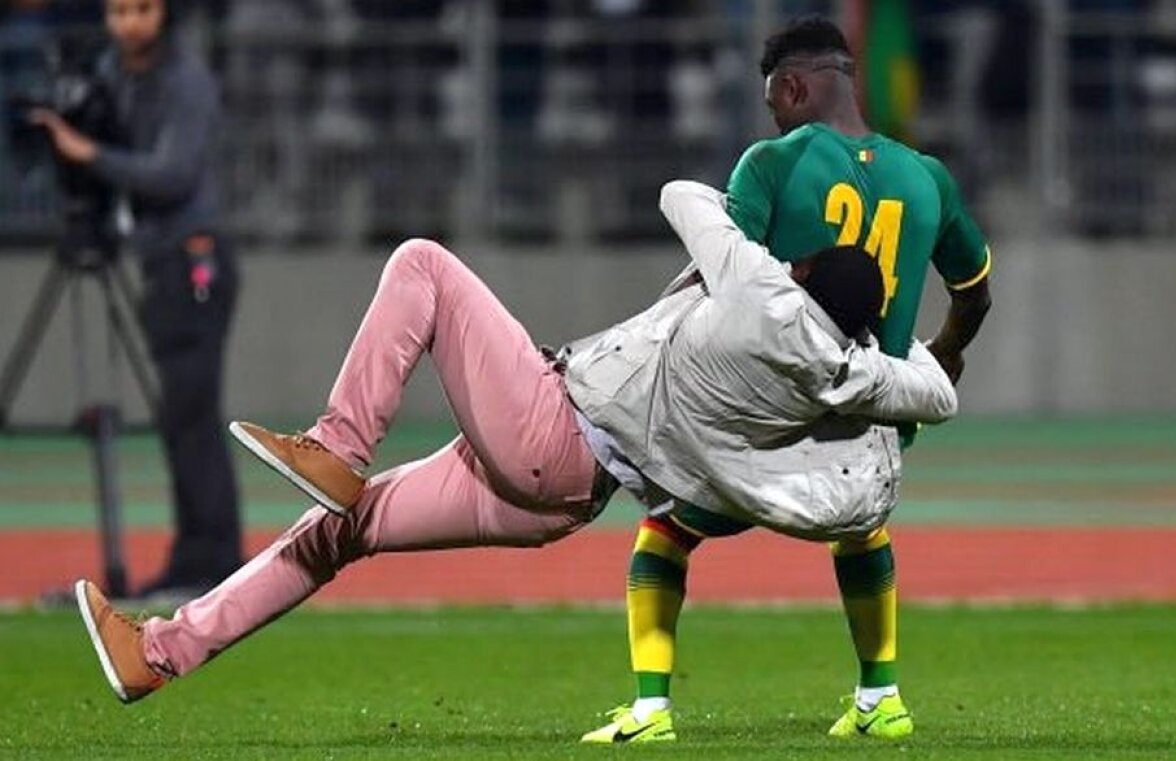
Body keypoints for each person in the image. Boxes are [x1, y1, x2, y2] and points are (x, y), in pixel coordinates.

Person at [73, 179, 956, 707]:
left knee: (422, 262)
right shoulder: (844, 369)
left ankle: (339, 445)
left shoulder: (761, 293)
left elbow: (683, 198)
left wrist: (754, 212)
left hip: (553, 423)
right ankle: (158, 655)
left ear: (797, 273)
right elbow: (939, 392)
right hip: (569, 493)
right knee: (339, 533)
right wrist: (885, 349)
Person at [590, 16, 993, 743]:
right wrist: (946, 351)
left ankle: (650, 709)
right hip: (867, 434)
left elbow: (724, 281)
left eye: (773, 99)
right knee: (864, 531)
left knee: (664, 531)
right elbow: (976, 291)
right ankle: (882, 697)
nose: (771, 113)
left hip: (766, 430)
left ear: (793, 85)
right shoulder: (927, 178)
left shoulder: (771, 164)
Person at [31, 0, 241, 598]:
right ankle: (192, 562)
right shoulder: (111, 74)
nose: (129, 23)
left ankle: (214, 564)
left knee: (192, 414)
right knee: (179, 417)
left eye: (142, 9)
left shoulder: (186, 79)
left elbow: (172, 173)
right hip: (156, 262)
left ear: (165, 13)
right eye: (118, 10)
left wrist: (88, 154)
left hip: (193, 258)